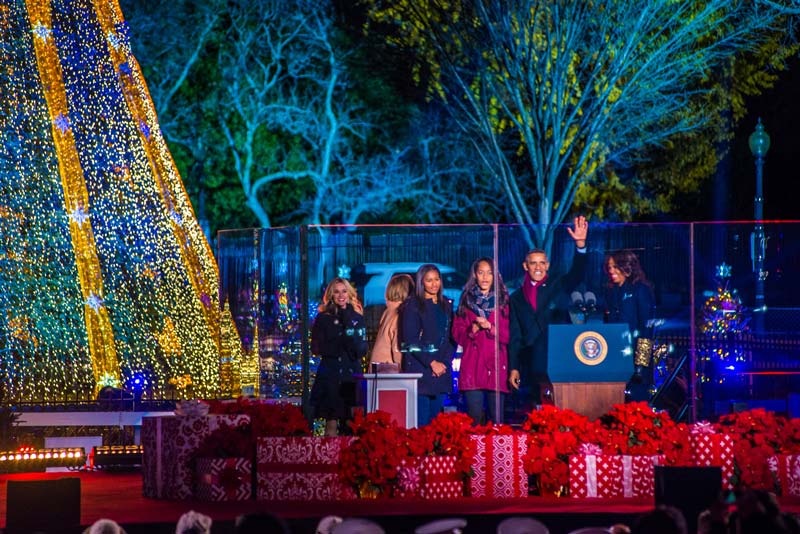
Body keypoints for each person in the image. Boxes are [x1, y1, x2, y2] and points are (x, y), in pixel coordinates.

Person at [508, 216, 588, 412]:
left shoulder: (558, 284)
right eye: (533, 263)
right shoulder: (516, 298)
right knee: (535, 410)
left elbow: (577, 273)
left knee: (562, 407)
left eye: (542, 263)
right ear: (525, 266)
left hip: (559, 358)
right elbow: (515, 336)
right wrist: (514, 367)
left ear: (547, 265)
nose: (538, 267)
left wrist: (580, 245)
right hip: (531, 363)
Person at [452, 257, 510, 425]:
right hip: (473, 366)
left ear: (495, 276)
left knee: (496, 422)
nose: (485, 277)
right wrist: (473, 329)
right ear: (475, 275)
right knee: (474, 420)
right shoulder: (466, 301)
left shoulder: (504, 301)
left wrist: (490, 327)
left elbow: (509, 335)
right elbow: (457, 335)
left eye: (489, 273)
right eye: (481, 272)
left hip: (495, 366)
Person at [309, 277, 368, 436]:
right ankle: (329, 452)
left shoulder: (356, 318)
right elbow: (316, 348)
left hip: (351, 376)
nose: (341, 296)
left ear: (349, 294)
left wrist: (350, 332)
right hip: (331, 375)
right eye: (337, 292)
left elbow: (361, 350)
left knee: (351, 424)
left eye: (344, 291)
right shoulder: (323, 318)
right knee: (331, 422)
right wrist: (339, 342)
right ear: (331, 295)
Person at [400, 264, 455, 427]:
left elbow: (452, 338)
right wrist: (431, 363)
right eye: (429, 280)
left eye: (437, 279)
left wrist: (444, 363)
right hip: (421, 371)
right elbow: (410, 341)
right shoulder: (413, 306)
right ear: (421, 282)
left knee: (436, 424)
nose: (434, 284)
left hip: (441, 371)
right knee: (422, 423)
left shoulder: (447, 305)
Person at [603, 249, 655, 403]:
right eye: (609, 267)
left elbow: (647, 328)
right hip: (615, 356)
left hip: (635, 357)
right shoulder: (611, 291)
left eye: (615, 267)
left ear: (627, 267)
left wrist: (641, 363)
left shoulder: (641, 289)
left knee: (636, 402)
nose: (611, 271)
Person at [370, 274, 414, 368]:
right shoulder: (399, 314)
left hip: (377, 367)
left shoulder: (388, 312)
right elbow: (397, 347)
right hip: (388, 369)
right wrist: (404, 369)